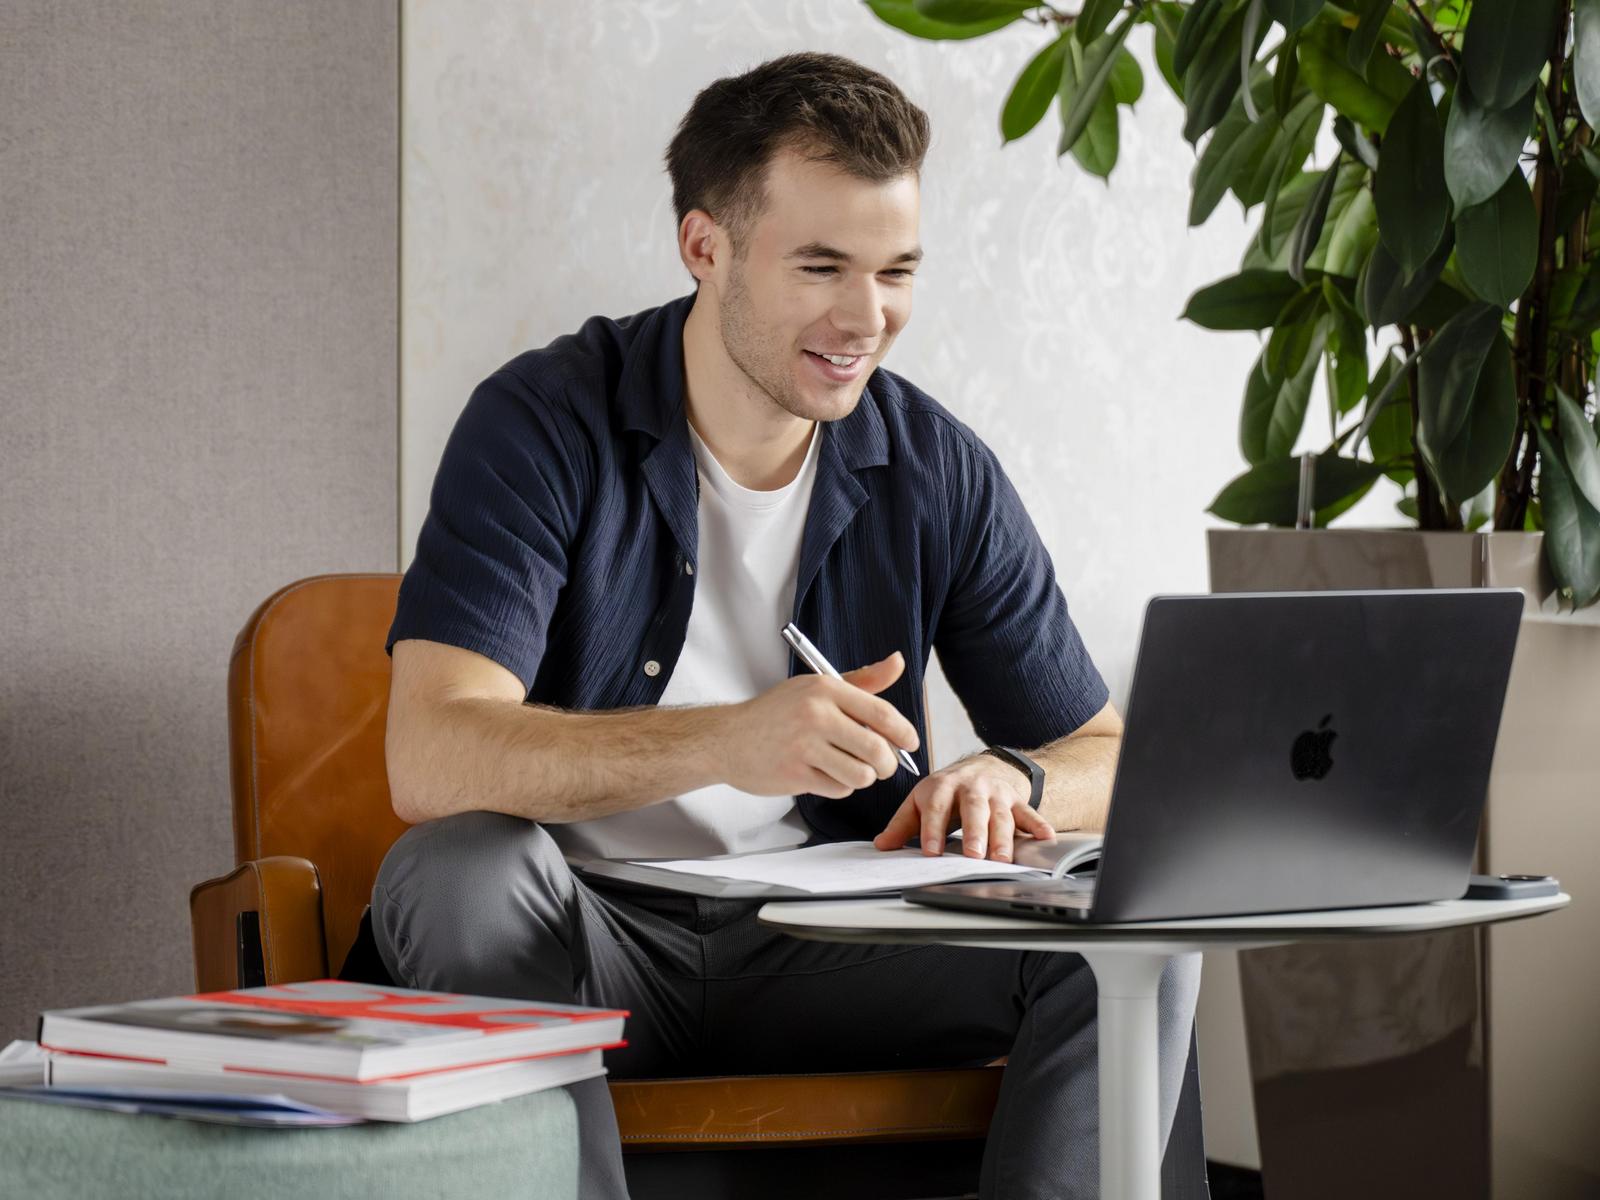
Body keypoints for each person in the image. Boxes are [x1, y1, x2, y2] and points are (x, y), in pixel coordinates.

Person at [371, 51, 1201, 1200]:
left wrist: (1012, 779)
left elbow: (1109, 754)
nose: (866, 318)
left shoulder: (935, 465)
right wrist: (725, 741)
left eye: (896, 270)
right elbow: (431, 753)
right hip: (583, 940)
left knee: (1133, 917)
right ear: (705, 246)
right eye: (820, 266)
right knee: (457, 868)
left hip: (834, 946)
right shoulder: (541, 423)